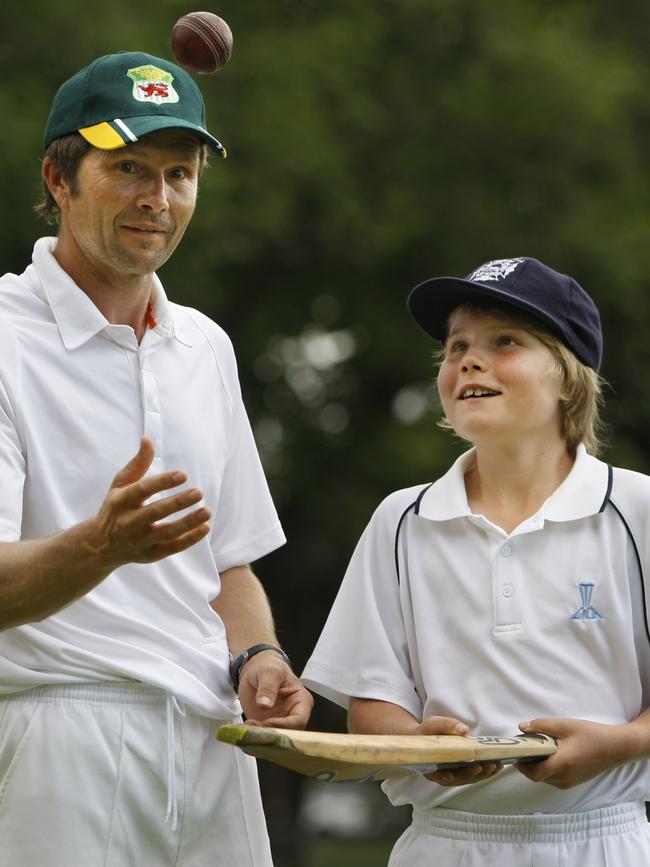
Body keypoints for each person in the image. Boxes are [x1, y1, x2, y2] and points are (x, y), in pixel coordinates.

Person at [0, 51, 312, 865]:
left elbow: (230, 562)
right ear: (59, 179)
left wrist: (261, 656)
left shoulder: (204, 345)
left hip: (213, 735)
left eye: (180, 173)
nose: (157, 198)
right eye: (128, 167)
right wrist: (99, 547)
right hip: (57, 731)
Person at [302, 256, 650, 866]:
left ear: (569, 377)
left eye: (505, 342)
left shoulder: (638, 509)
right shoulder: (401, 520)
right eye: (455, 345)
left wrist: (618, 744)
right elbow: (373, 701)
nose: (467, 359)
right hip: (445, 847)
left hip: (605, 842)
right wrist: (418, 745)